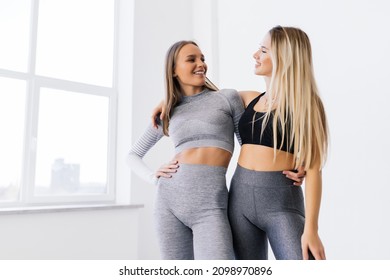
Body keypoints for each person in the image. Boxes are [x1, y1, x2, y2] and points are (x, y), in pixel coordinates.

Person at [153, 26, 327, 260]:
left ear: (285, 56)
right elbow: (208, 99)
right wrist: (168, 100)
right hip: (239, 202)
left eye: (263, 50)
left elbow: (314, 169)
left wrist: (312, 230)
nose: (256, 55)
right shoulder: (247, 99)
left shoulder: (307, 105)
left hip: (281, 202)